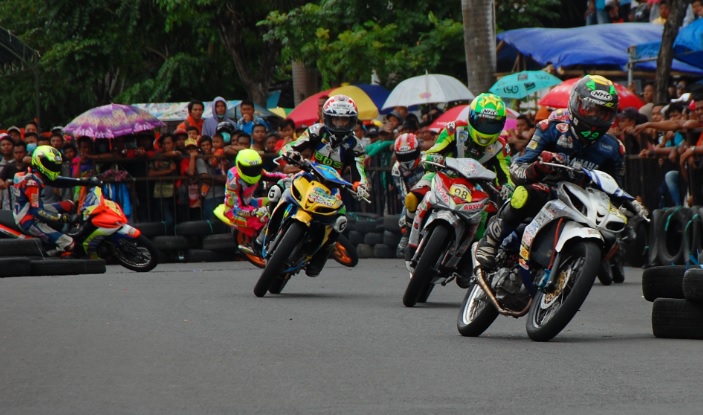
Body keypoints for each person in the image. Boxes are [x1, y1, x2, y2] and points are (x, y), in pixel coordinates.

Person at [474, 75, 641, 269]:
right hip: (547, 192)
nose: (595, 117)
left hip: (583, 203)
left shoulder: (614, 148)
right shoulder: (551, 128)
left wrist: (628, 211)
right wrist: (537, 168)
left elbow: (616, 187)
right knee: (523, 194)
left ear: (612, 115)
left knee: (612, 233)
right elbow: (517, 167)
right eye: (590, 109)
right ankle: (492, 240)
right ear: (575, 104)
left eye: (602, 113)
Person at [403, 93, 513, 287]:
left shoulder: (501, 147)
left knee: (490, 216)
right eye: (483, 122)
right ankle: (407, 237)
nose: (486, 129)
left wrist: (507, 188)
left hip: (478, 188)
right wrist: (433, 158)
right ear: (472, 118)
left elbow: (506, 175)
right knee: (413, 198)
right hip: (445, 175)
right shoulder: (455, 130)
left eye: (492, 124)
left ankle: (468, 261)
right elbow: (434, 150)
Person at [280, 94, 369, 277]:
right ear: (328, 117)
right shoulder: (316, 131)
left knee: (340, 220)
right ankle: (265, 229)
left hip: (332, 187)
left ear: (352, 121)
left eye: (344, 120)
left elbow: (359, 170)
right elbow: (292, 146)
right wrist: (291, 153)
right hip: (308, 175)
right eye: (336, 119)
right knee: (280, 187)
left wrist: (361, 186)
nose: (339, 124)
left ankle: (320, 255)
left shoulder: (355, 145)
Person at [11, 145, 100, 255]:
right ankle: (51, 252)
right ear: (39, 162)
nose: (53, 167)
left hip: (30, 209)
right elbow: (38, 212)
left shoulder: (35, 174)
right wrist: (64, 218)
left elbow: (58, 181)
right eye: (50, 164)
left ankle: (70, 232)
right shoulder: (31, 183)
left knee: (70, 205)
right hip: (28, 219)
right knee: (69, 244)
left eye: (55, 165)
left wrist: (83, 181)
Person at [223, 149, 287, 251]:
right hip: (234, 211)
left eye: (256, 169)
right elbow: (238, 209)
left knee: (272, 202)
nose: (253, 172)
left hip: (249, 201)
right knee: (263, 219)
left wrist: (289, 178)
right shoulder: (234, 182)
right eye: (249, 170)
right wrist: (255, 211)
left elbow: (273, 176)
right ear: (239, 166)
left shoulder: (258, 172)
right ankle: (257, 246)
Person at [391, 133, 425, 258]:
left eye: (410, 155)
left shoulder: (427, 159)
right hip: (413, 198)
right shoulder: (397, 169)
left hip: (432, 194)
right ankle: (407, 239)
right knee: (403, 221)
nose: (407, 160)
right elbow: (403, 193)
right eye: (402, 156)